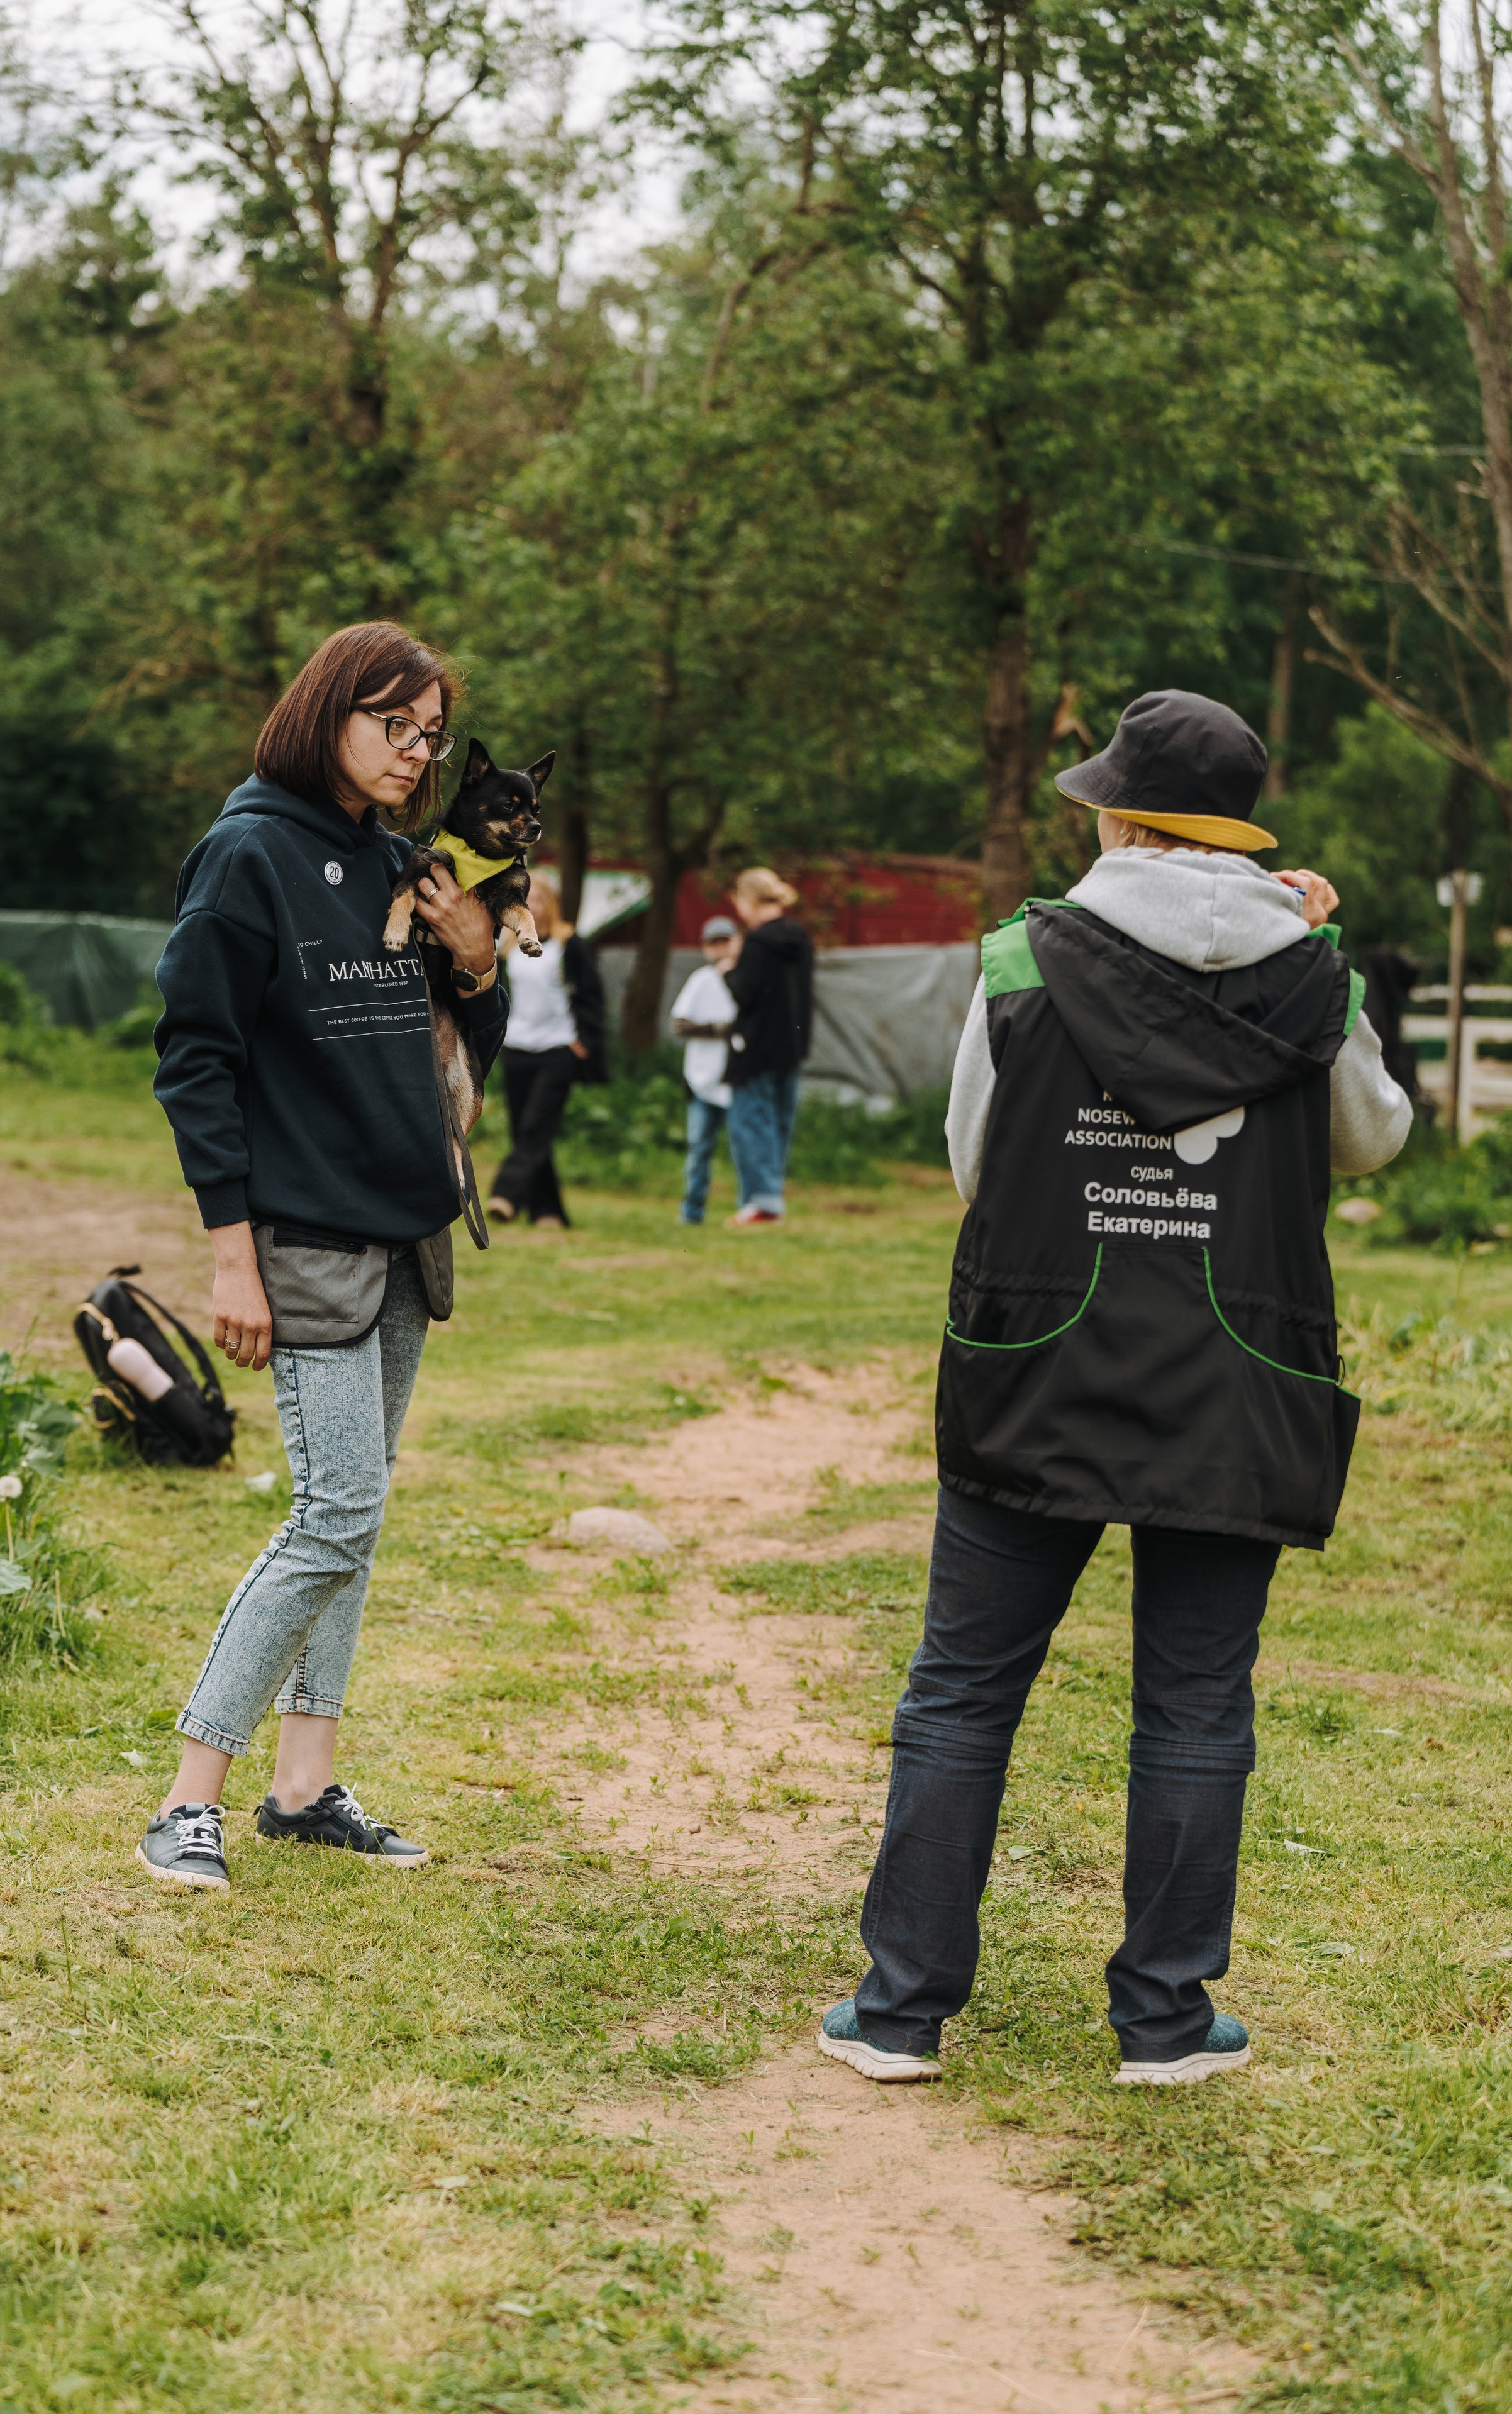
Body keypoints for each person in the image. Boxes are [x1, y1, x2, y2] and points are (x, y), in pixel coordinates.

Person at [818, 689, 1413, 2087]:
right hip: (1237, 1376)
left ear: (1121, 816)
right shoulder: (1310, 979)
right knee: (1196, 1701)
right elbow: (1370, 1139)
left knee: (963, 1688)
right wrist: (1315, 954)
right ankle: (1161, 2019)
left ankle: (900, 2009)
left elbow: (979, 1157)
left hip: (1041, 1363)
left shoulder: (1024, 956)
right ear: (1235, 827)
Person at [142, 621, 509, 1893]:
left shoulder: (400, 859)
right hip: (304, 1236)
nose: (414, 753)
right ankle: (189, 1798)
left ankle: (302, 1787)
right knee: (333, 1508)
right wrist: (227, 1255)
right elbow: (196, 1058)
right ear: (326, 713)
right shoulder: (248, 853)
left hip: (404, 1232)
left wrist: (472, 956)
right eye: (389, 724)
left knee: (356, 1518)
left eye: (428, 733)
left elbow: (455, 1040)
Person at [487, 873, 607, 1230]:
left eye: (538, 900)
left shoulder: (569, 945)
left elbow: (591, 995)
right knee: (524, 1130)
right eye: (526, 900)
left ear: (550, 905)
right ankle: (548, 1213)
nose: (532, 906)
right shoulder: (508, 946)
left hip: (558, 1048)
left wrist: (586, 1038)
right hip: (517, 1047)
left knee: (537, 1127)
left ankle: (505, 1194)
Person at [723, 867, 814, 1228]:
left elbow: (745, 994)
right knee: (778, 1123)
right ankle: (770, 1198)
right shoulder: (801, 938)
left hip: (756, 1047)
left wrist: (729, 969)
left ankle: (760, 1202)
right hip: (791, 1045)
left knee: (750, 1123)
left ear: (749, 899)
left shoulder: (758, 943)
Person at [671, 915, 742, 1225]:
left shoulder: (748, 977)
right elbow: (680, 1024)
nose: (722, 950)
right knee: (699, 1149)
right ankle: (692, 1212)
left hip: (739, 1080)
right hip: (703, 1079)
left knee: (744, 1150)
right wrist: (721, 1030)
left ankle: (749, 1209)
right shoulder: (702, 980)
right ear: (705, 948)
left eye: (726, 942)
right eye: (715, 944)